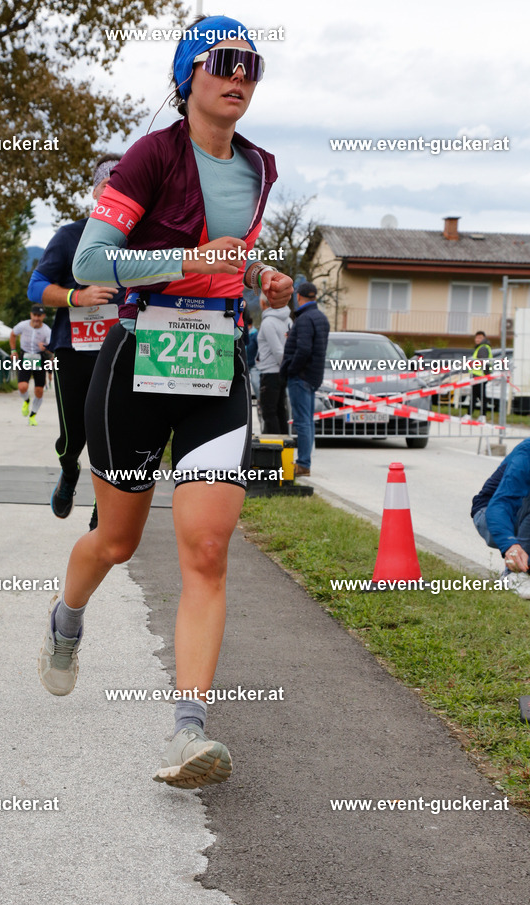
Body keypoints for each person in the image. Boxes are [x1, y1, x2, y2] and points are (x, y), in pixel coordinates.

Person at [37, 14, 293, 788]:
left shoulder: (258, 167)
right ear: (189, 77)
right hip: (137, 361)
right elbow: (91, 258)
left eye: (251, 65)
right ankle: (65, 621)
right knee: (114, 544)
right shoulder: (150, 156)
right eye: (224, 62)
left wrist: (261, 278)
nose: (239, 76)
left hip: (216, 366)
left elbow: (230, 260)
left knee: (206, 551)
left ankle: (188, 735)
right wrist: (187, 257)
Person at [27, 155, 124, 521]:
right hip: (75, 349)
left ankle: (106, 502)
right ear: (95, 193)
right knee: (73, 438)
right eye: (107, 187)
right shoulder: (70, 236)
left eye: (123, 189)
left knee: (112, 430)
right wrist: (76, 296)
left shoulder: (140, 239)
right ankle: (69, 471)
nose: (113, 194)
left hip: (121, 351)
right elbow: (35, 287)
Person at [471, 436, 530, 599]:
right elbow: (500, 505)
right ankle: (514, 573)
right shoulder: (528, 453)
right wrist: (510, 545)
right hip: (490, 516)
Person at [280, 281, 329, 476]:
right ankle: (305, 462)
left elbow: (304, 349)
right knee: (307, 420)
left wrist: (291, 369)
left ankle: (303, 463)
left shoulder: (304, 319)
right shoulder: (321, 318)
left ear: (298, 297)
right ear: (314, 297)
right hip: (313, 376)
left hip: (301, 376)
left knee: (302, 422)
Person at [8, 305, 52, 425]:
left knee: (39, 390)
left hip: (39, 357)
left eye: (39, 316)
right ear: (31, 315)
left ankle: (32, 415)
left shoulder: (47, 330)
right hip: (26, 356)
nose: (36, 318)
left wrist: (46, 348)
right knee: (22, 387)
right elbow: (13, 334)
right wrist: (13, 350)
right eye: (35, 315)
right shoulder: (23, 325)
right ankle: (26, 400)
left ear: (43, 316)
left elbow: (51, 348)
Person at [257, 291, 290, 433]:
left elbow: (277, 351)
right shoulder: (288, 321)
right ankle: (283, 447)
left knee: (269, 412)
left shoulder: (268, 322)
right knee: (280, 411)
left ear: (264, 303)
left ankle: (274, 450)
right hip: (282, 373)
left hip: (271, 372)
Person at [469, 330, 492, 418]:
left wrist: (486, 375)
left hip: (480, 376)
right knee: (479, 396)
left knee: (477, 396)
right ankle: (481, 415)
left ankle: (472, 414)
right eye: (476, 337)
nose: (477, 339)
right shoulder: (480, 347)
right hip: (478, 376)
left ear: (484, 339)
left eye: (480, 338)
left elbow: (484, 362)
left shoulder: (483, 348)